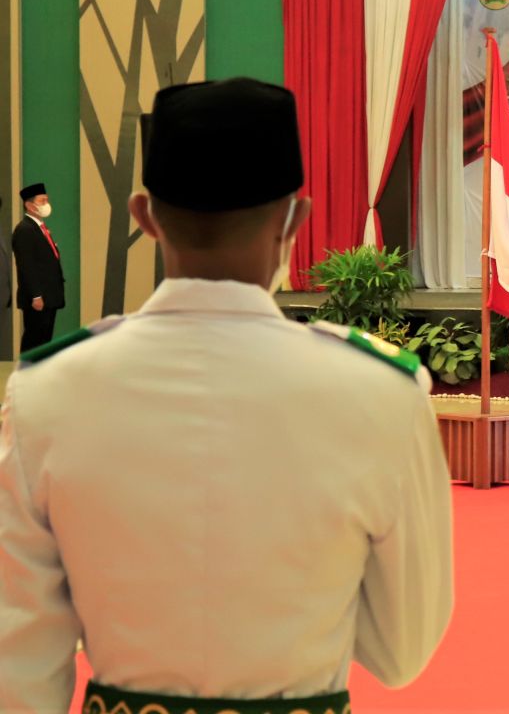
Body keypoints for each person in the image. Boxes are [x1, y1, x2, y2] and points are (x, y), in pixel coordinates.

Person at [0, 77, 453, 713]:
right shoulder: (380, 392)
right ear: (297, 218)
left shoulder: (46, 391)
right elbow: (401, 653)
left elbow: (16, 672)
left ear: (144, 217)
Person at [12, 182, 65, 351]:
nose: (46, 205)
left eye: (46, 200)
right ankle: (27, 373)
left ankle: (39, 374)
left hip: (49, 295)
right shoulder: (25, 230)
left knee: (44, 340)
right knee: (34, 340)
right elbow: (26, 265)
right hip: (39, 298)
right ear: (29, 205)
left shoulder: (40, 228)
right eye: (42, 201)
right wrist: (36, 296)